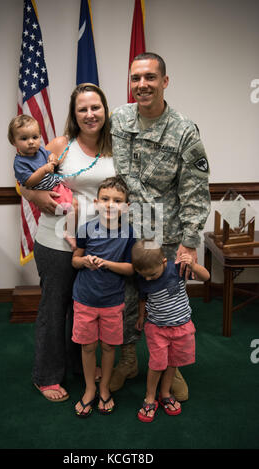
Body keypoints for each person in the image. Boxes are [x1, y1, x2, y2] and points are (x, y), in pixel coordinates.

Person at [109, 52, 211, 400]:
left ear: (164, 81)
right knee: (123, 299)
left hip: (166, 235)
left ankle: (172, 367)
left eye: (150, 77)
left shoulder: (184, 129)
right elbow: (112, 164)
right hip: (124, 232)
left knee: (166, 300)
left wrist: (189, 240)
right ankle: (127, 360)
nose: (142, 85)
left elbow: (195, 190)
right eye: (136, 78)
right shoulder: (119, 118)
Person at [19, 83, 115, 402]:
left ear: (105, 109)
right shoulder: (60, 144)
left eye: (95, 107)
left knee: (82, 308)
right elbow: (25, 180)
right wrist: (35, 195)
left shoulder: (116, 145)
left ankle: (77, 365)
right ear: (74, 115)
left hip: (97, 243)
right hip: (56, 240)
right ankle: (46, 375)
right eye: (82, 109)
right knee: (55, 307)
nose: (90, 114)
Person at [72, 176, 135, 417]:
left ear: (126, 207)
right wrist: (84, 261)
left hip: (112, 301)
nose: (110, 204)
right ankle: (89, 389)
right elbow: (74, 260)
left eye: (117, 200)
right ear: (97, 202)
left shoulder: (129, 234)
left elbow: (131, 269)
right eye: (105, 199)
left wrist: (107, 263)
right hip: (85, 298)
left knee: (109, 346)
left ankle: (105, 387)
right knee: (88, 346)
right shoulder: (86, 229)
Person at [132, 239, 210, 422]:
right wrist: (141, 316)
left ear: (164, 262)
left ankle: (165, 393)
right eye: (144, 276)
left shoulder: (178, 269)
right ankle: (150, 396)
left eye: (152, 274)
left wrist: (193, 265)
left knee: (172, 363)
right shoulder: (143, 277)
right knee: (157, 363)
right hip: (157, 328)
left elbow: (205, 277)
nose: (148, 279)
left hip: (181, 326)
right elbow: (143, 299)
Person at [9, 114, 78, 250]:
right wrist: (44, 170)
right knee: (73, 206)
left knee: (74, 204)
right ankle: (69, 232)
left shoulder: (40, 150)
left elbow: (50, 155)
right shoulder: (20, 162)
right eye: (24, 138)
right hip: (50, 191)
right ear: (13, 141)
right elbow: (28, 183)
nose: (31, 142)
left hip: (56, 185)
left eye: (35, 137)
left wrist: (53, 158)